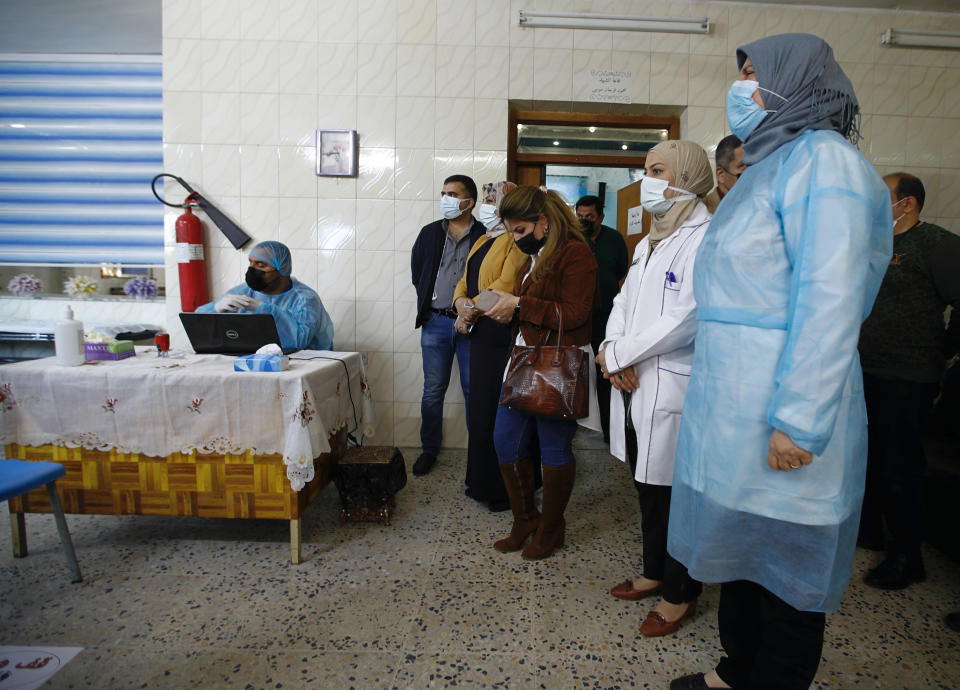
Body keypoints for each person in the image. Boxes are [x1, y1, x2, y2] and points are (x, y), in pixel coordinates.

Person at [667, 34, 891, 690]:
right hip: (734, 414)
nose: (740, 87)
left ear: (797, 82)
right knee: (742, 561)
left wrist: (799, 419)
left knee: (787, 578)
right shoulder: (767, 167)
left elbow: (831, 302)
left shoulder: (826, 164)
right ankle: (736, 674)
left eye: (752, 73)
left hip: (785, 417)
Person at [597, 141, 713, 637]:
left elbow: (687, 316)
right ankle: (652, 571)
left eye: (657, 170)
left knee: (677, 496)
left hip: (674, 384)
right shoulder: (649, 241)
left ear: (686, 175)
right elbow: (624, 300)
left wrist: (623, 356)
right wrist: (610, 348)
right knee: (647, 488)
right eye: (645, 170)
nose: (647, 180)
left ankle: (680, 593)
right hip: (635, 379)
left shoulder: (707, 236)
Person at [481, 185, 598, 560]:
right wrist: (509, 309)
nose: (516, 239)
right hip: (525, 358)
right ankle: (524, 519)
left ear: (543, 222)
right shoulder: (535, 256)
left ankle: (551, 527)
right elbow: (530, 307)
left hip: (558, 362)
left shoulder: (575, 254)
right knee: (505, 441)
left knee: (553, 447)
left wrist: (520, 304)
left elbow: (575, 314)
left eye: (520, 230)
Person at [857, 172, 960, 590]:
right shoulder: (873, 244)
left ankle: (907, 556)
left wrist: (941, 351)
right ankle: (872, 535)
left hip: (909, 376)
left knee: (901, 467)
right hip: (866, 370)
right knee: (871, 461)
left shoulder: (936, 244)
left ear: (908, 203)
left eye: (884, 197)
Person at [451, 181, 527, 511]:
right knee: (480, 410)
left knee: (499, 411)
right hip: (478, 334)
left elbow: (504, 285)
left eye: (492, 199)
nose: (486, 204)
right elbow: (463, 281)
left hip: (499, 333)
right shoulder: (483, 238)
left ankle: (503, 490)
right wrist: (459, 304)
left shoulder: (516, 241)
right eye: (485, 199)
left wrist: (469, 311)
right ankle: (479, 482)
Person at [410, 175, 485, 476]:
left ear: (469, 202)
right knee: (433, 390)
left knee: (473, 390)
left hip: (474, 325)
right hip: (437, 323)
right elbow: (419, 274)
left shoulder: (486, 234)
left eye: (452, 194)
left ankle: (477, 455)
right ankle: (429, 449)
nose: (446, 199)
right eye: (443, 193)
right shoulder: (429, 233)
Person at [195, 240, 333, 351]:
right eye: (251, 262)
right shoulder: (243, 291)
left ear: (282, 269)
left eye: (261, 265)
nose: (252, 269)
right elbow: (196, 327)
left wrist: (268, 311)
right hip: (251, 361)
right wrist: (215, 309)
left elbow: (299, 341)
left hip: (303, 365)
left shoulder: (305, 299)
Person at [575, 195, 629, 443]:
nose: (584, 221)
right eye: (580, 216)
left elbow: (621, 271)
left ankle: (609, 429)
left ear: (601, 217)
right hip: (577, 318)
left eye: (589, 217)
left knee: (606, 372)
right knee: (576, 371)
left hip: (607, 318)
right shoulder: (572, 238)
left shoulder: (615, 239)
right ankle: (574, 424)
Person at [703, 134, 745, 214]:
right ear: (721, 174)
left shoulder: (759, 203)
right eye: (742, 166)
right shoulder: (704, 214)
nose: (751, 173)